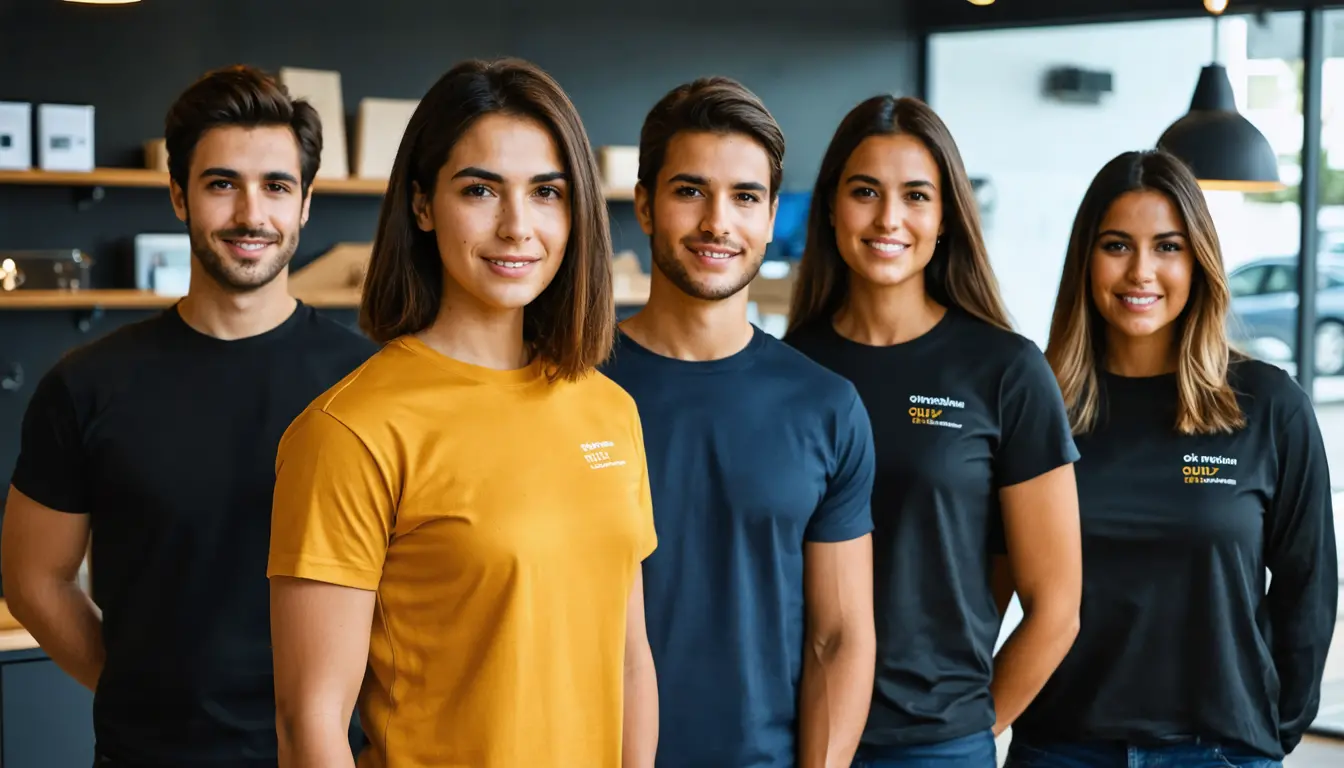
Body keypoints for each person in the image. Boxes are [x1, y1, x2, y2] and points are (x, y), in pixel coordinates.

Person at [265, 57, 659, 768]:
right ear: (422, 205)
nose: (518, 226)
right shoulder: (349, 431)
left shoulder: (610, 411)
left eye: (548, 192)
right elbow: (309, 724)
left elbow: (629, 662)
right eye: (480, 189)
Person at [0, 65, 377, 767]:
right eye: (220, 183)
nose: (249, 214)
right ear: (178, 195)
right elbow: (32, 579)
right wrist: (136, 689)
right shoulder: (87, 385)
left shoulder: (368, 385)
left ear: (305, 204)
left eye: (276, 186)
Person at [1004, 149, 1339, 768]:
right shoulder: (1037, 406)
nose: (1141, 272)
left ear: (1198, 260)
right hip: (1061, 748)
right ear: (1086, 259)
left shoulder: (1268, 406)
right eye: (1116, 246)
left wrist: (1272, 729)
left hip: (1218, 750)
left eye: (1167, 246)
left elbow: (1309, 586)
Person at [783, 95, 1083, 767]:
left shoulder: (1004, 370)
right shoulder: (788, 367)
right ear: (832, 206)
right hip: (790, 731)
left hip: (935, 745)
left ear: (946, 217)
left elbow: (1057, 607)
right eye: (866, 192)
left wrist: (972, 728)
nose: (889, 218)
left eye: (916, 195)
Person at [599, 75, 878, 768]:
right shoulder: (566, 385)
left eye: (745, 197)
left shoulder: (826, 406)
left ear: (770, 213)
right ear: (643, 204)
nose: (718, 222)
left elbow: (840, 637)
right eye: (690, 190)